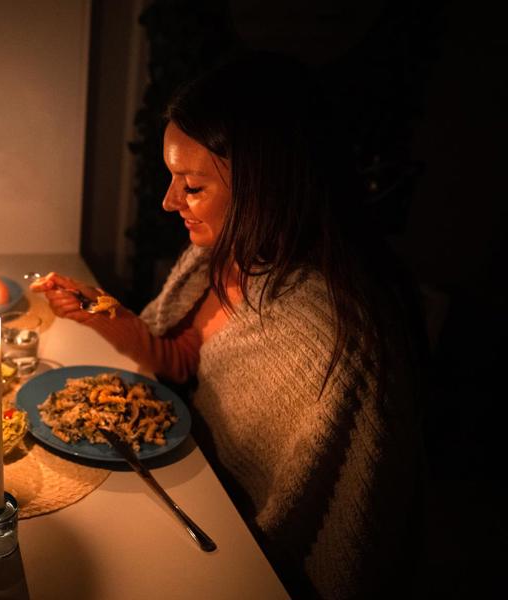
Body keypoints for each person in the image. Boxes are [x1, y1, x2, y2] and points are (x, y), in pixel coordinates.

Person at [33, 52, 426, 599]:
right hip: (179, 480)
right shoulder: (233, 250)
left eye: (192, 187)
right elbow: (182, 360)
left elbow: (335, 536)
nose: (171, 202)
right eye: (172, 179)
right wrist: (110, 317)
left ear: (266, 188)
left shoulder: (335, 335)